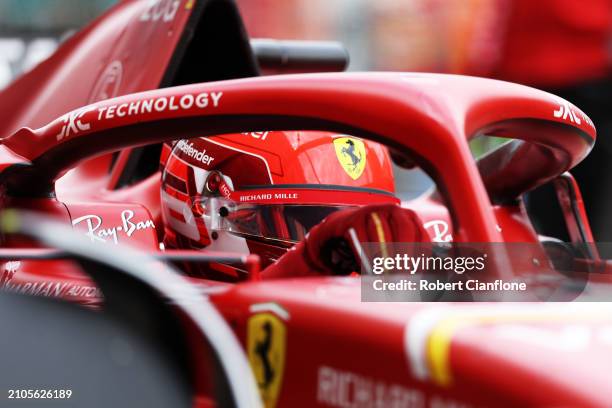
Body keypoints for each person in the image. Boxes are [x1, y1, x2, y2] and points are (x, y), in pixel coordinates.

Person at [159, 131, 429, 280]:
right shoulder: (143, 305)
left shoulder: (427, 225)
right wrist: (314, 254)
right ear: (208, 210)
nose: (349, 261)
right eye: (300, 225)